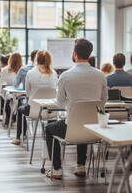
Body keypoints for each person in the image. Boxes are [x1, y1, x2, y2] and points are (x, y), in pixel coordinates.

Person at [45, 38, 108, 179]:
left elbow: (60, 104)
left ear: (74, 54)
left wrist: (72, 102)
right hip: (94, 130)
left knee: (49, 128)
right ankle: (81, 166)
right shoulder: (101, 75)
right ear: (89, 54)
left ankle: (56, 170)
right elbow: (103, 101)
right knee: (84, 122)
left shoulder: (65, 76)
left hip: (71, 129)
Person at [12, 50, 58, 145]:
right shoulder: (54, 73)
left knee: (20, 108)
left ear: (36, 60)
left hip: (33, 111)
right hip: (51, 112)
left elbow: (28, 94)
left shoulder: (30, 73)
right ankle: (51, 140)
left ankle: (19, 137)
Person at [0, 52, 23, 125]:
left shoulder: (5, 70)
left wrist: (0, 93)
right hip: (20, 92)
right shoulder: (22, 70)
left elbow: (2, 82)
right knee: (20, 101)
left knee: (6, 100)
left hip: (9, 92)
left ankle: (8, 118)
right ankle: (16, 117)